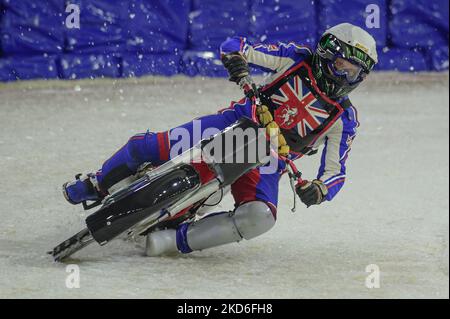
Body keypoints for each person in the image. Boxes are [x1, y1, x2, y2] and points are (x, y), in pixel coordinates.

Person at [62, 23, 378, 256]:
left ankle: (174, 241)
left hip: (268, 162)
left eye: (355, 74)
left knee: (261, 217)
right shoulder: (295, 59)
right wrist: (238, 62)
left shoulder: (344, 118)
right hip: (235, 124)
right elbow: (235, 44)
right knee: (146, 146)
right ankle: (98, 183)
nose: (346, 78)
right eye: (341, 67)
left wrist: (320, 190)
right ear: (325, 55)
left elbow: (336, 171)